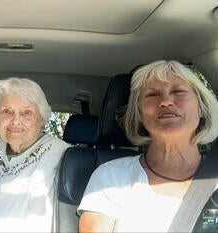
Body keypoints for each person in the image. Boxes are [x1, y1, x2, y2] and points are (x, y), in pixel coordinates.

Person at [78, 60, 218, 232]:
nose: (166, 101)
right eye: (152, 95)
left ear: (202, 108)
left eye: (178, 91)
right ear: (140, 114)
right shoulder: (111, 177)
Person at [0, 77, 70, 232]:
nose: (16, 121)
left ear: (41, 118)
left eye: (26, 112)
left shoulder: (60, 153)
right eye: (7, 111)